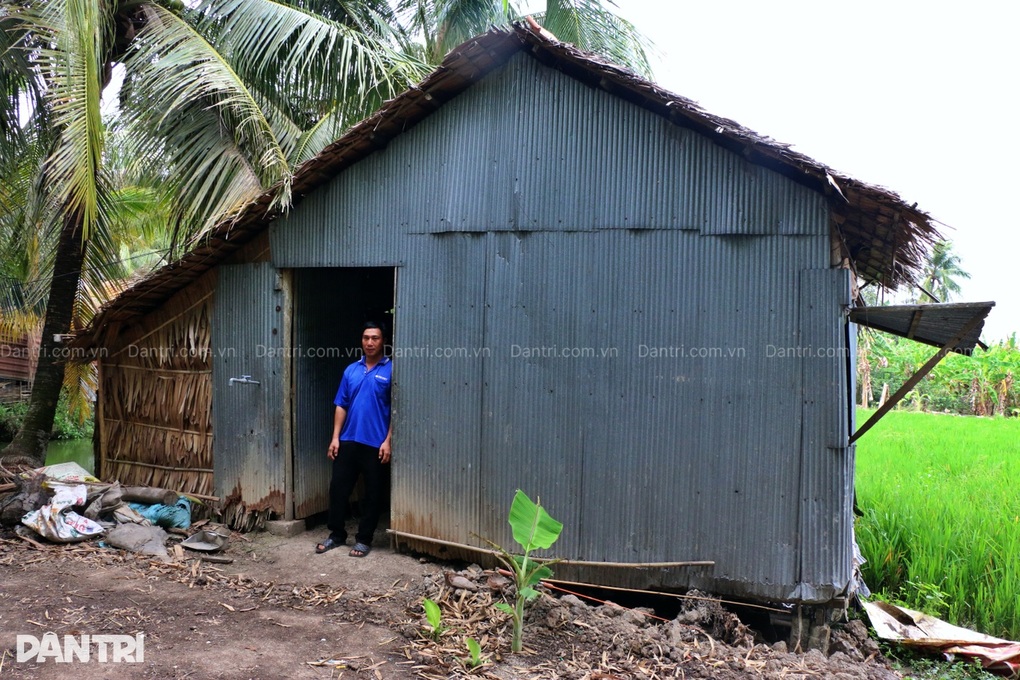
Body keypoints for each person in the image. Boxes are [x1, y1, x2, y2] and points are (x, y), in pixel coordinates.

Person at [316, 322, 392, 557]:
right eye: (366, 338)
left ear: (383, 341)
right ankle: (336, 535)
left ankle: (364, 539)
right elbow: (341, 404)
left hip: (376, 443)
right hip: (348, 440)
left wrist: (388, 440)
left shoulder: (392, 370)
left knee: (373, 494)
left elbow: (397, 409)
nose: (370, 342)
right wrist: (335, 438)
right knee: (338, 489)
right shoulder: (351, 370)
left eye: (375, 338)